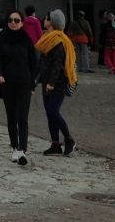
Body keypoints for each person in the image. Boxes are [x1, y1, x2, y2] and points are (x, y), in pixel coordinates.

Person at [0, 10, 40, 166]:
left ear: (22, 23)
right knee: (11, 117)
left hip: (24, 83)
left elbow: (33, 64)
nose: (13, 22)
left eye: (16, 20)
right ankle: (14, 147)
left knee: (23, 117)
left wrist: (32, 85)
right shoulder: (2, 39)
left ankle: (22, 149)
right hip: (7, 83)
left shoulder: (26, 40)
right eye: (10, 20)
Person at [36, 10, 77, 156]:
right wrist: (36, 78)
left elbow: (58, 64)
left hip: (57, 82)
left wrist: (52, 83)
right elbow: (42, 62)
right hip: (46, 81)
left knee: (54, 112)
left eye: (46, 18)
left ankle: (69, 139)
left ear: (51, 22)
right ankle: (55, 143)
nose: (44, 20)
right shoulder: (46, 38)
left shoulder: (58, 40)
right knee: (49, 113)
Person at [100, 11, 115, 75]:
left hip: (108, 43)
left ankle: (111, 66)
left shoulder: (105, 26)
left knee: (106, 56)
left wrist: (102, 42)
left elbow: (103, 35)